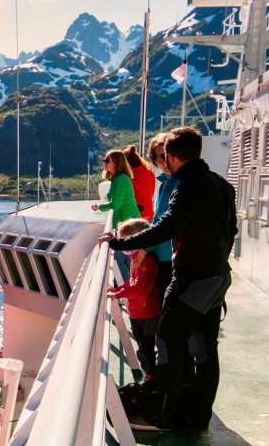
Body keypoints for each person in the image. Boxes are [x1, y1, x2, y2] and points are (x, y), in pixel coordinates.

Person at [97, 127, 237, 432]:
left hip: (192, 279)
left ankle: (162, 415)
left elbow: (165, 227)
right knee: (204, 351)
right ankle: (197, 416)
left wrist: (119, 243)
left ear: (171, 156)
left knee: (167, 339)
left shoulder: (186, 187)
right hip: (217, 277)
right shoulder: (221, 184)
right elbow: (232, 231)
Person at [107, 218, 160, 383]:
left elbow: (140, 287)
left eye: (125, 242)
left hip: (146, 313)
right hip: (138, 311)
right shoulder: (136, 258)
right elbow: (132, 282)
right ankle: (151, 374)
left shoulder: (146, 261)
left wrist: (117, 294)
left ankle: (152, 376)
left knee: (146, 347)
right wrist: (117, 290)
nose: (123, 247)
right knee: (143, 346)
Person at [91, 149, 142, 280]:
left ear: (116, 162)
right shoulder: (118, 179)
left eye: (107, 160)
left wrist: (99, 207)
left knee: (119, 260)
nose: (104, 162)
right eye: (104, 160)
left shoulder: (121, 180)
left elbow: (116, 205)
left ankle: (126, 287)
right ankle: (130, 286)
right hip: (127, 225)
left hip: (127, 227)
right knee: (126, 260)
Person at [147, 133, 178, 295]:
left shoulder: (178, 184)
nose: (164, 161)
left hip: (171, 256)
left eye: (166, 155)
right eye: (159, 157)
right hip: (162, 254)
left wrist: (144, 249)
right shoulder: (165, 184)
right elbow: (157, 218)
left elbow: (162, 222)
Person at [125, 144, 156, 222]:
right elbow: (151, 194)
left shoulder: (128, 179)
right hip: (150, 215)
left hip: (135, 217)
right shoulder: (150, 173)